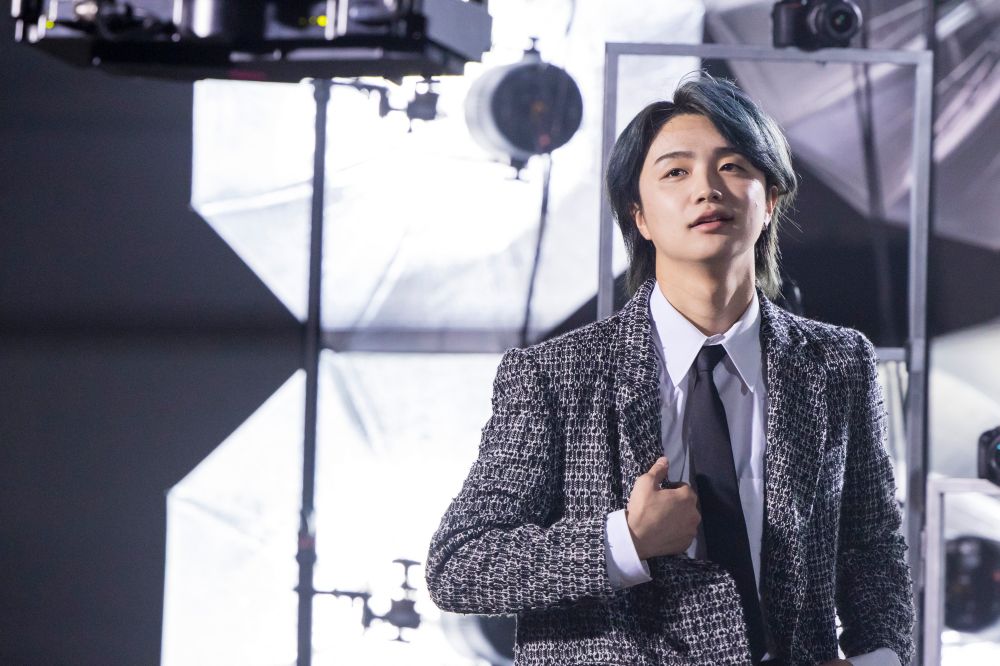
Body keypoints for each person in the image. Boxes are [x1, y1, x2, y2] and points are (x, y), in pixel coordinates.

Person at [425, 72, 914, 666]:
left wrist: (879, 658)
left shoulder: (839, 364)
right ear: (640, 216)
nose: (707, 188)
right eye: (676, 172)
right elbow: (459, 565)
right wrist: (624, 541)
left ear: (769, 200)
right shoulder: (555, 377)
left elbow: (873, 550)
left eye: (733, 166)